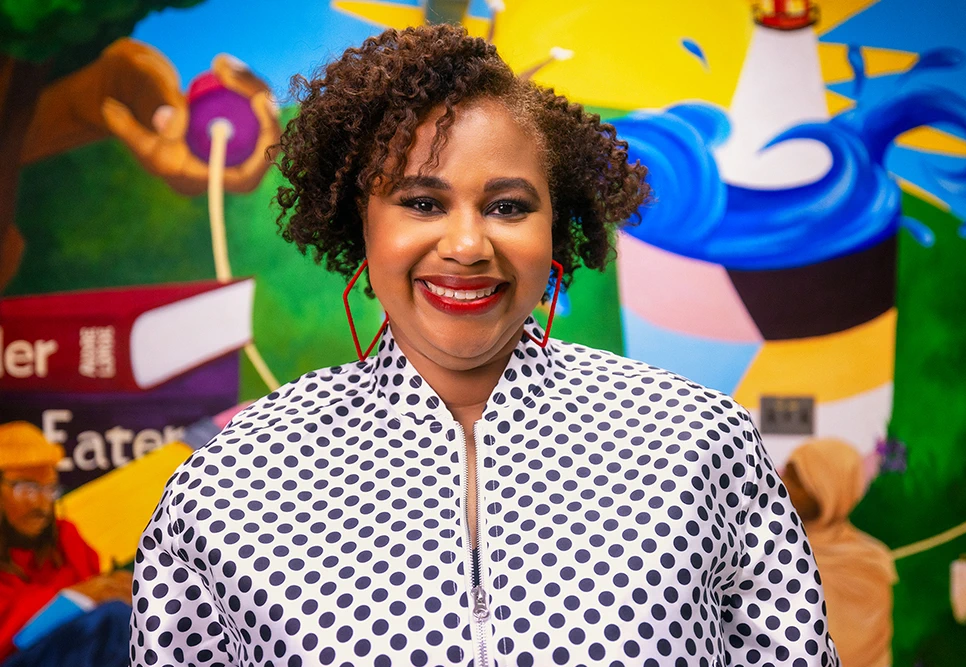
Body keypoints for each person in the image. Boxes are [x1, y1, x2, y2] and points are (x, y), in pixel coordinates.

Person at [130, 24, 840, 666]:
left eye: (507, 206)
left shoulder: (700, 444)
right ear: (360, 222)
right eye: (421, 202)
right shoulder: (226, 486)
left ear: (555, 225)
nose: (468, 245)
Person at [0, 421, 132, 666]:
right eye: (26, 488)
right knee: (115, 620)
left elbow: (95, 600)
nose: (40, 504)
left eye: (49, 489)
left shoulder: (64, 537)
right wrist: (76, 597)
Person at [782, 439, 895, 667]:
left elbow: (867, 650)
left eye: (800, 481)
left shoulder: (870, 562)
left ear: (836, 489)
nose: (785, 487)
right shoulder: (772, 551)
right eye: (789, 477)